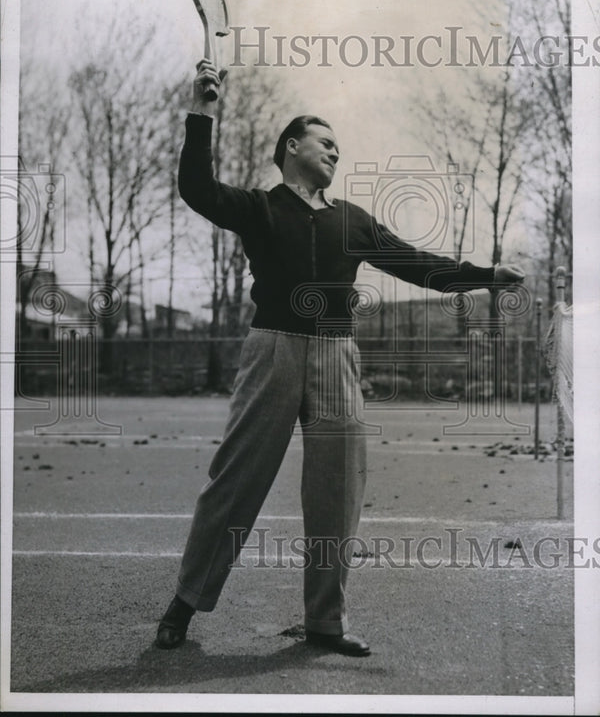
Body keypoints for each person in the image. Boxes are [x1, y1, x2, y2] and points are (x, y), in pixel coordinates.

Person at [155, 59, 525, 656]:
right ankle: (183, 605)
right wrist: (203, 111)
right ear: (292, 145)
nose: (335, 152)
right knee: (236, 481)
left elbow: (418, 265)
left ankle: (325, 622)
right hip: (272, 350)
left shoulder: (351, 220)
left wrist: (485, 276)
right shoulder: (258, 206)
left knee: (338, 490)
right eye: (325, 142)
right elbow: (196, 189)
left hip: (336, 358)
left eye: (338, 147)